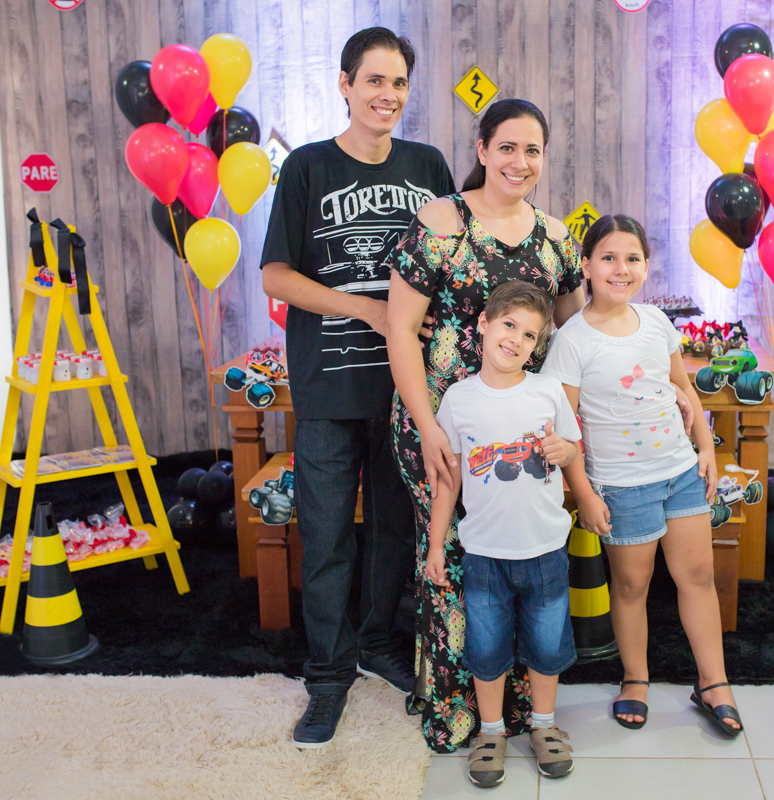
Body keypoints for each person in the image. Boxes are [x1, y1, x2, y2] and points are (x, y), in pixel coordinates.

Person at [260, 27, 455, 750]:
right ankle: (327, 676)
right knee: (327, 534)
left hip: (409, 389)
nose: (387, 95)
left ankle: (377, 644)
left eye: (399, 82)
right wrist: (369, 307)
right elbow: (276, 276)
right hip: (327, 386)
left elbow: (451, 260)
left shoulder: (428, 164)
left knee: (395, 533)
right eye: (373, 80)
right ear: (344, 85)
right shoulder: (307, 169)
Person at [384, 99, 585, 752]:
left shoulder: (556, 238)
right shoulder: (442, 222)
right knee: (455, 559)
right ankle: (459, 711)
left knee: (522, 560)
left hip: (524, 436)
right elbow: (400, 329)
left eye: (532, 150)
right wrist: (426, 426)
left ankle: (524, 713)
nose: (519, 162)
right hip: (443, 425)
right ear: (481, 148)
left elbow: (574, 337)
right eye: (507, 147)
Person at [542, 214, 745, 739]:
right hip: (621, 484)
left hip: (679, 472)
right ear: (585, 266)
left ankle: (713, 682)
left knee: (696, 576)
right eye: (607, 257)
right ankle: (635, 678)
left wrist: (705, 447)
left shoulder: (656, 322)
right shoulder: (572, 340)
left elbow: (684, 389)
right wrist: (583, 493)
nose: (620, 268)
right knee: (632, 584)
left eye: (632, 258)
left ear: (647, 267)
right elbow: (566, 430)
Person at [424, 281, 580, 787]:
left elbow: (572, 449)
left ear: (538, 346)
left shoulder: (547, 391)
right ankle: (490, 732)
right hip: (484, 554)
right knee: (488, 650)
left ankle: (543, 725)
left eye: (530, 335)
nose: (516, 340)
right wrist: (434, 545)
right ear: (485, 326)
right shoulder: (459, 399)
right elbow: (449, 480)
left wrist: (563, 452)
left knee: (547, 645)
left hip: (546, 549)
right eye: (509, 326)